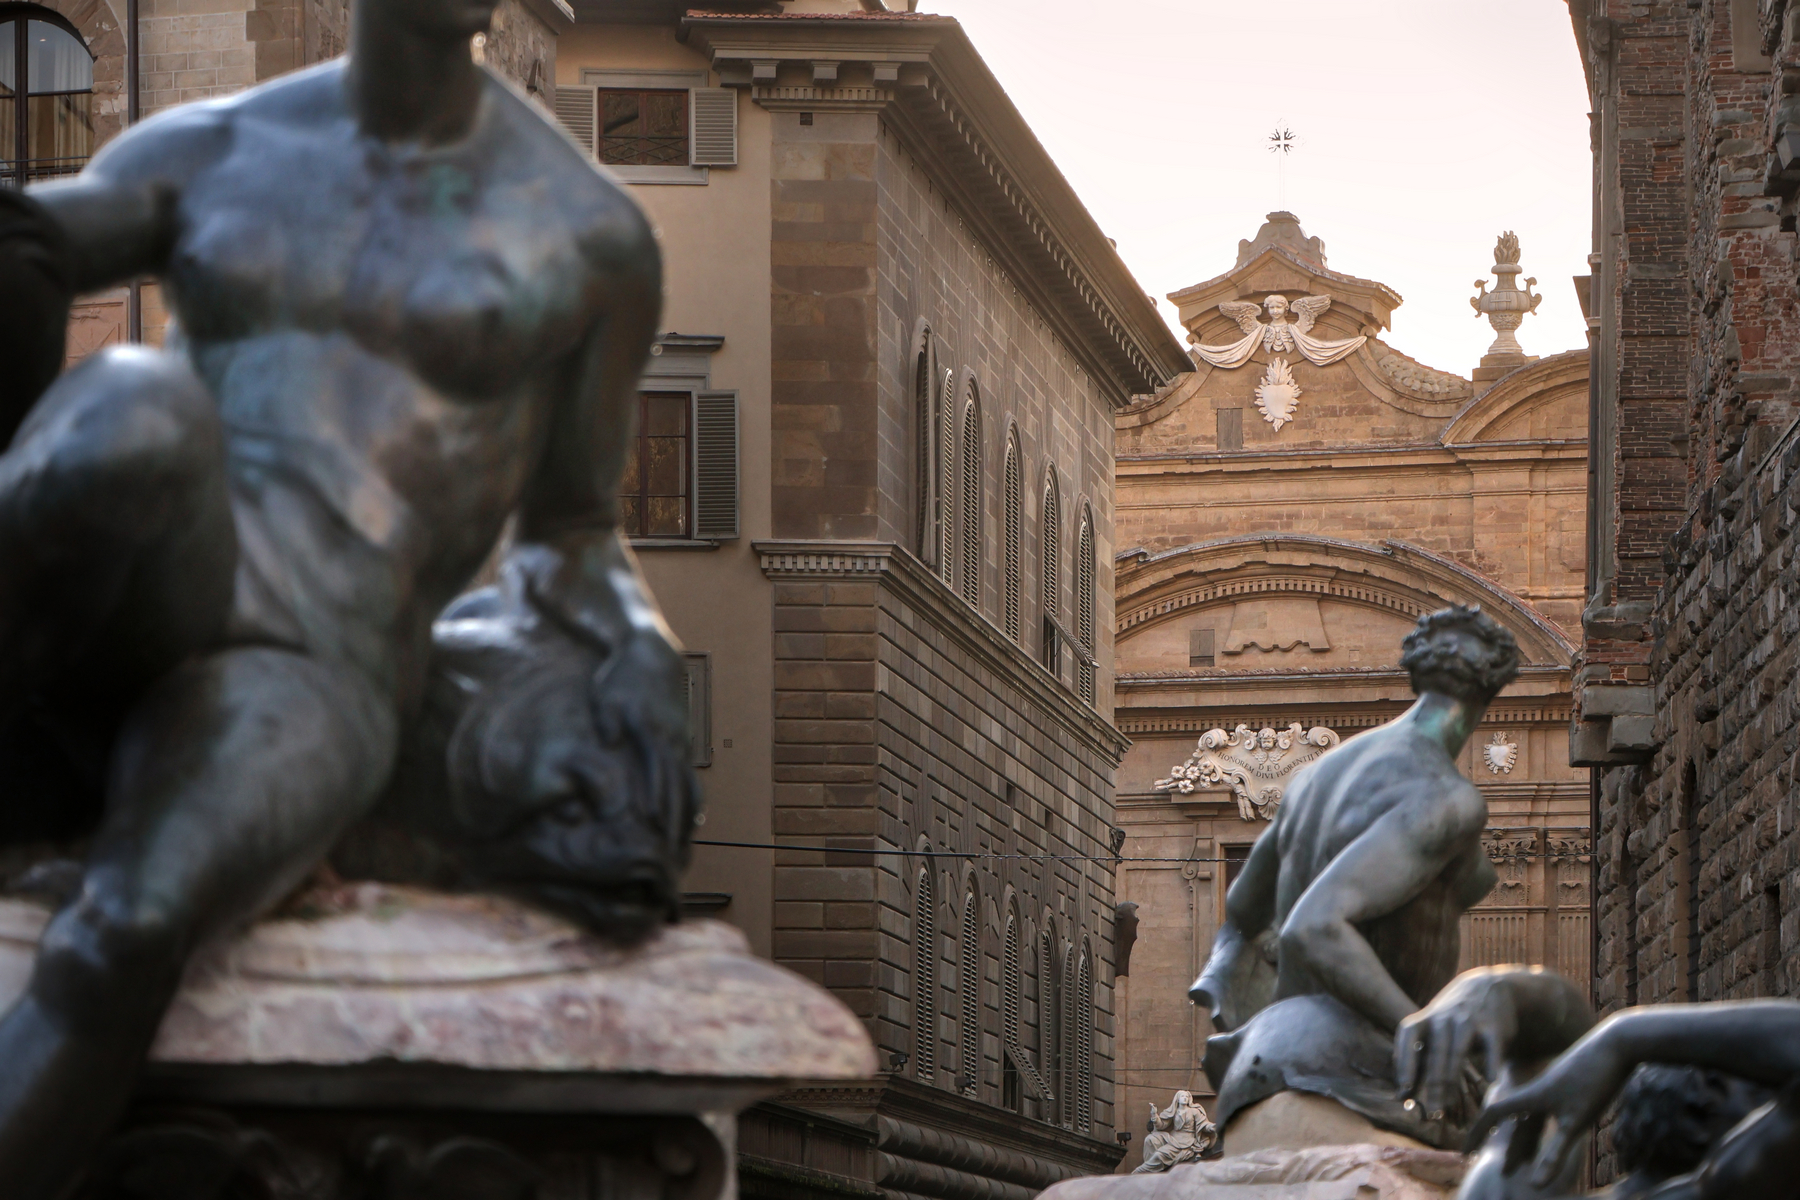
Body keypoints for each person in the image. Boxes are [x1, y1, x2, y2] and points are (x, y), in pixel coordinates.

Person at [0, 0, 693, 1187]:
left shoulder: (588, 236)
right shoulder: (215, 149)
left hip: (312, 669)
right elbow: (31, 242)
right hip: (144, 580)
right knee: (129, 411)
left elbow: (572, 531)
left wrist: (638, 673)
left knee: (125, 929)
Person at [1191, 605, 1518, 1152]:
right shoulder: (1447, 795)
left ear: (1416, 673)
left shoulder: (1316, 776)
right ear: (1494, 688)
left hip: (1263, 1072)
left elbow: (1245, 905)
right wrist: (1422, 1031)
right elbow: (1314, 927)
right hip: (1356, 1083)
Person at [1399, 967, 1800, 1200]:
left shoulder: (1507, 1185)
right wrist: (1624, 1037)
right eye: (1758, 1088)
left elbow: (1548, 1045)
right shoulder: (1713, 1192)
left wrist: (1492, 986)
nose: (1768, 1100)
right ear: (1705, 1107)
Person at [1134, 1091, 1219, 1173]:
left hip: (1186, 1141)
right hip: (1172, 1138)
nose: (1185, 1098)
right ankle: (1150, 1170)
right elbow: (1161, 1125)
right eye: (1182, 1096)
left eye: (1186, 1096)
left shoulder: (1194, 1111)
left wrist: (1211, 1127)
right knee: (1150, 1139)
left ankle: (1141, 1171)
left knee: (1159, 1155)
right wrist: (1154, 1115)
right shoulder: (1173, 1111)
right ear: (1177, 1099)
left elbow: (1203, 1124)